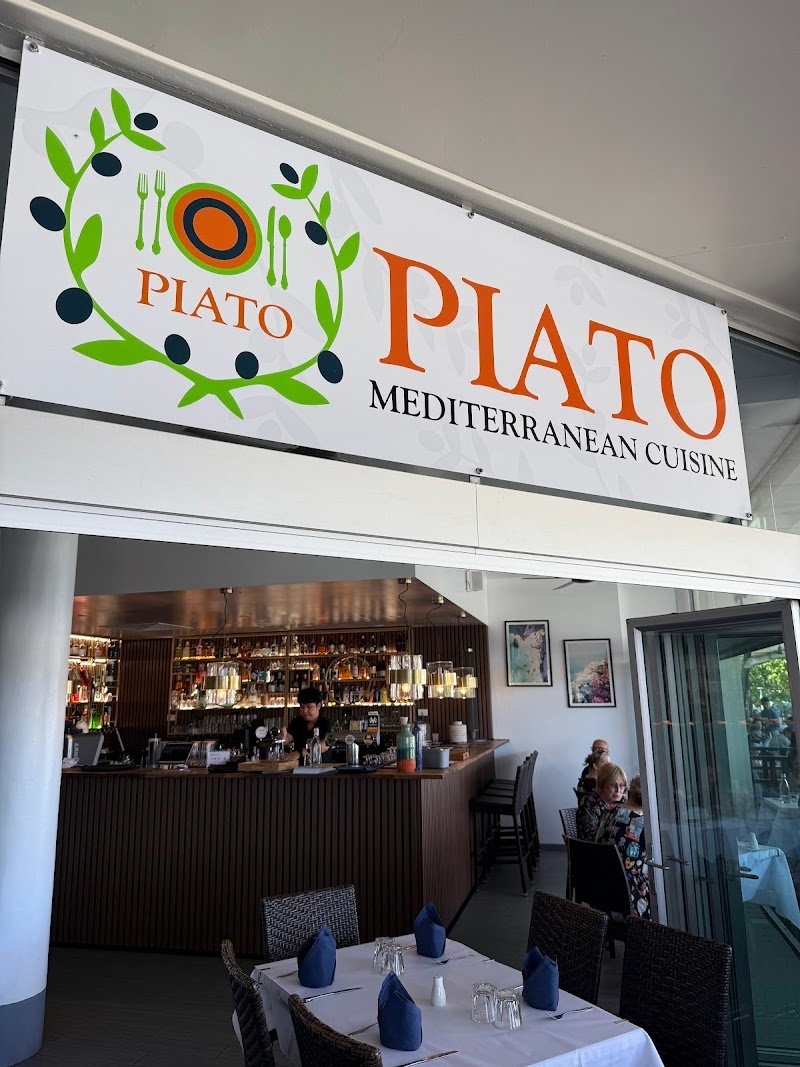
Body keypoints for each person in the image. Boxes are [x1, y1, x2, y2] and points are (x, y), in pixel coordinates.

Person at [596, 774, 650, 920]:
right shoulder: (644, 824)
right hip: (629, 894)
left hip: (600, 884)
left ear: (629, 792)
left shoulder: (609, 812)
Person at [576, 761, 626, 840]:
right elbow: (589, 837)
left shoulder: (624, 801)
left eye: (622, 785)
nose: (618, 790)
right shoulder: (589, 803)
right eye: (613, 785)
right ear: (602, 785)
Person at [282, 686, 331, 758]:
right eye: (302, 707)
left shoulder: (325, 723)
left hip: (321, 764)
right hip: (299, 764)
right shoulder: (297, 721)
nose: (305, 711)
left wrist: (301, 753)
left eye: (309, 707)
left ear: (318, 706)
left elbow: (325, 745)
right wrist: (283, 737)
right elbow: (288, 739)